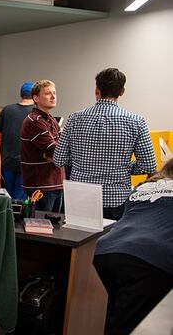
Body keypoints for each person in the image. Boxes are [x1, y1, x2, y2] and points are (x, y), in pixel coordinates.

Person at [53, 68, 155, 220]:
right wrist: (124, 166)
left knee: (78, 243)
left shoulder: (75, 118)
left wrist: (82, 162)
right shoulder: (136, 121)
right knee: (112, 243)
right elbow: (149, 165)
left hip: (80, 197)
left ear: (97, 90)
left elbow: (58, 159)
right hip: (116, 198)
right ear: (122, 91)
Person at [92, 159, 173, 335]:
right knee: (132, 324)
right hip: (150, 259)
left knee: (120, 313)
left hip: (107, 251)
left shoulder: (144, 187)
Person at [20, 80, 64, 212]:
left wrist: (58, 153)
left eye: (54, 93)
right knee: (42, 228)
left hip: (55, 183)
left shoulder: (50, 120)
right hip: (41, 185)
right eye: (48, 93)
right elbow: (54, 150)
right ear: (36, 98)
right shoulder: (34, 121)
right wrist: (58, 153)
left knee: (56, 229)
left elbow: (60, 150)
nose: (53, 96)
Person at [0, 82, 35, 200]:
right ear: (34, 95)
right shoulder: (36, 112)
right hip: (26, 164)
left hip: (7, 161)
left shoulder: (7, 110)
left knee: (6, 198)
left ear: (21, 94)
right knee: (20, 203)